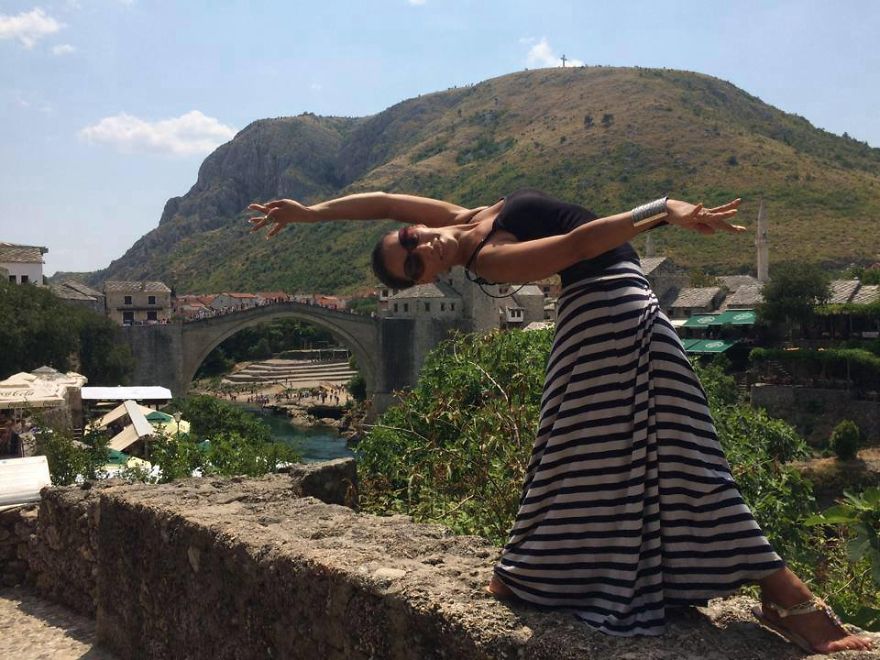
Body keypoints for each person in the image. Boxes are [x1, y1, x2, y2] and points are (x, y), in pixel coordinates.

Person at [248, 190, 871, 654]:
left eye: (408, 241)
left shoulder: (465, 218)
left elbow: (381, 201)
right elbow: (577, 248)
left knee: (589, 457)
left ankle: (532, 572)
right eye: (413, 266)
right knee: (675, 456)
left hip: (613, 319)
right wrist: (664, 210)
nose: (418, 249)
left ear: (416, 230)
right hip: (615, 323)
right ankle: (786, 596)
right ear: (429, 280)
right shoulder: (492, 260)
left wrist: (310, 214)